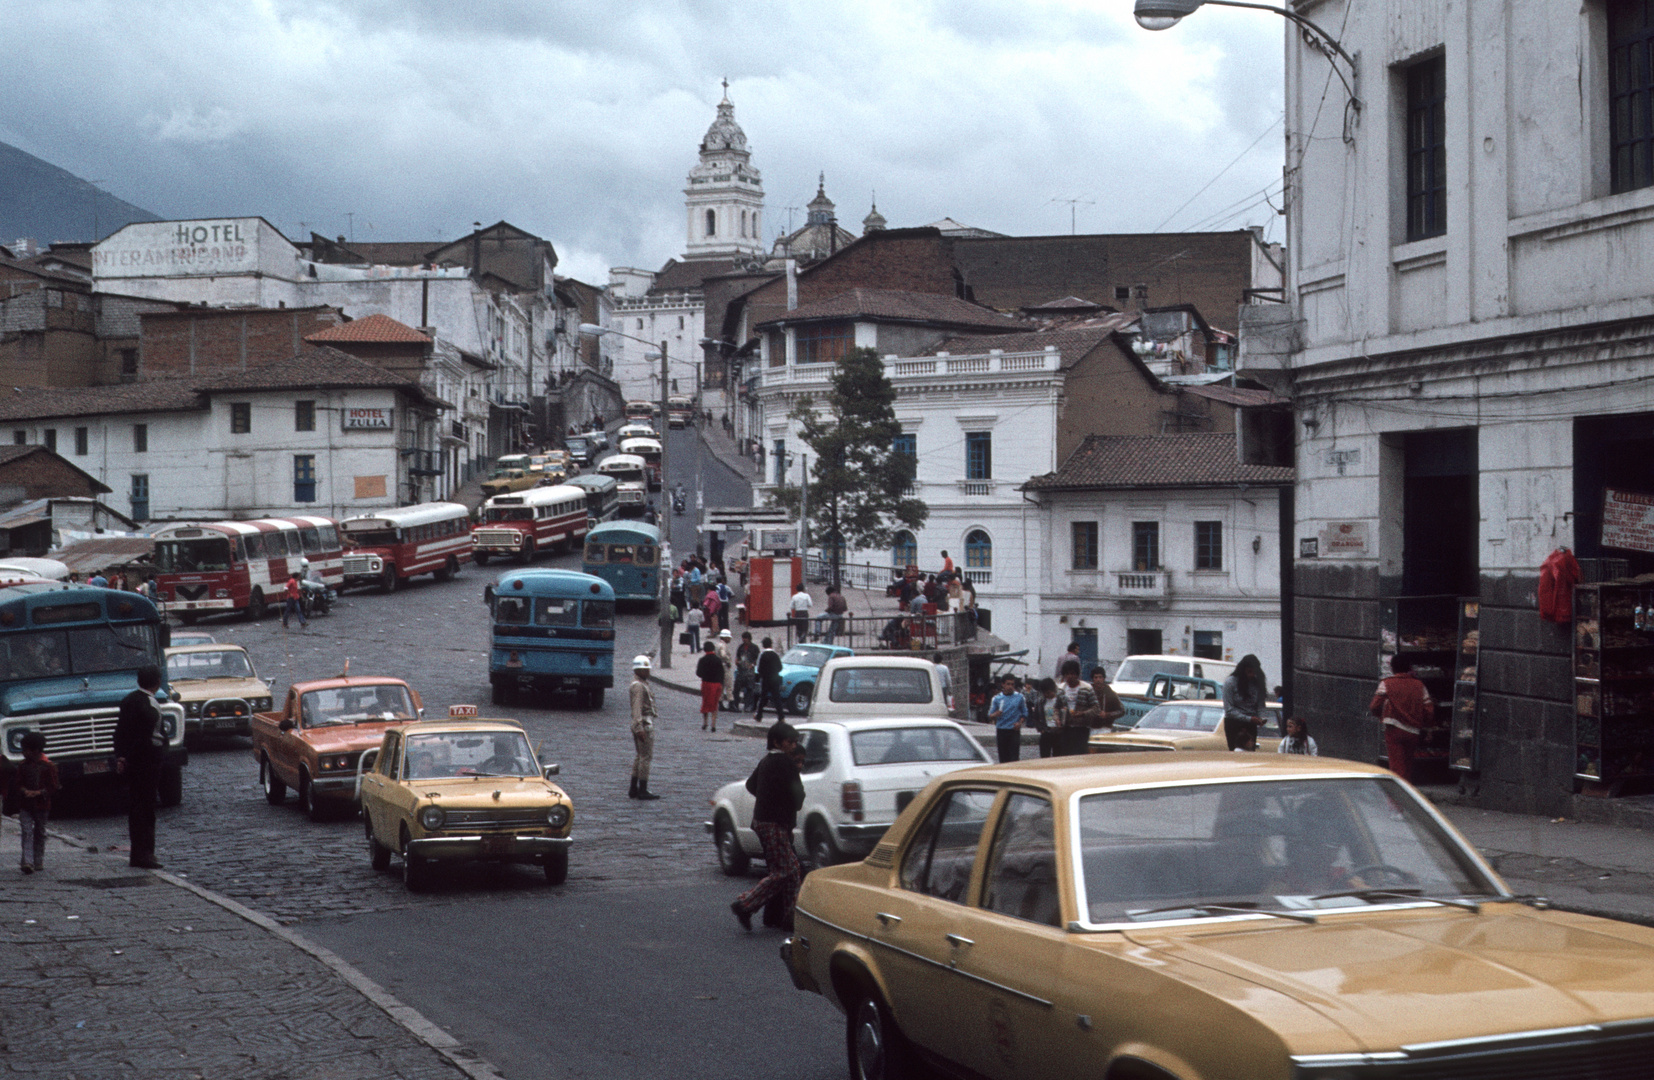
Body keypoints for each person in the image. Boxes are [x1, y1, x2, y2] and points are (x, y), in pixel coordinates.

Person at [730, 721, 805, 932]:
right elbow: (797, 795)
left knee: (790, 870)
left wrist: (767, 797)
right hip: (774, 822)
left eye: (795, 742)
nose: (793, 746)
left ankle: (791, 915)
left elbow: (751, 785)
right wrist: (780, 803)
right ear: (777, 742)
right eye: (790, 742)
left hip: (762, 821)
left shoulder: (766, 761)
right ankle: (746, 904)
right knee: (786, 870)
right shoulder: (785, 763)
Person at [114, 664, 165, 869]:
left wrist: (121, 757)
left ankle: (137, 854)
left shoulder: (128, 701)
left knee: (136, 808)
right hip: (147, 762)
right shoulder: (149, 706)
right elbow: (150, 736)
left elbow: (120, 732)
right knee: (146, 808)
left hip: (133, 761)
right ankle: (145, 854)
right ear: (157, 682)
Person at [1370, 654, 1434, 782]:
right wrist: (1427, 727)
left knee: (1396, 766)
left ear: (1392, 668)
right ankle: (1407, 787)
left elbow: (1374, 706)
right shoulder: (1419, 685)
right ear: (1409, 668)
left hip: (1394, 729)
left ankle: (1398, 792)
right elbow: (1428, 709)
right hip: (1413, 731)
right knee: (1408, 763)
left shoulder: (1387, 683)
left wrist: (1381, 716)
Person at [13, 730, 58, 873]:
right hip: (25, 805)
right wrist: (24, 791)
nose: (23, 752)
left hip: (42, 805)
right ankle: (28, 861)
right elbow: (18, 784)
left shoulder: (48, 766)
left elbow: (53, 786)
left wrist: (38, 793)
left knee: (40, 833)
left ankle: (38, 860)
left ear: (35, 750)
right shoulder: (22, 766)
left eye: (25, 749)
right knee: (27, 832)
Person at [1051, 660, 1101, 756]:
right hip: (1066, 729)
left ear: (1077, 674)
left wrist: (1083, 713)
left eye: (1072, 673)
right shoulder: (1061, 689)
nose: (1070, 676)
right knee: (1065, 755)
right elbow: (1056, 708)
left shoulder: (1087, 688)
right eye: (1067, 674)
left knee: (1080, 756)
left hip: (1082, 729)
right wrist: (1057, 719)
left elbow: (1096, 708)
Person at [628, 655, 661, 800]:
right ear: (639, 670)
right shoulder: (639, 686)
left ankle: (633, 788)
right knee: (646, 757)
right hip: (644, 724)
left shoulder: (640, 683)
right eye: (646, 669)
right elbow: (636, 708)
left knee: (639, 756)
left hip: (641, 724)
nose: (648, 672)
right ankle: (642, 789)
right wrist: (639, 727)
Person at [1222, 654, 1270, 752]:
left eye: (1254, 672)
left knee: (1250, 752)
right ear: (1242, 670)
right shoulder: (1230, 682)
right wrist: (1249, 719)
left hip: (1251, 724)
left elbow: (1260, 705)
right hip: (1234, 723)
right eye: (1249, 672)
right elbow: (1229, 710)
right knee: (1236, 752)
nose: (1251, 675)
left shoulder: (1257, 683)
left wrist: (1261, 718)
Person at [988, 674, 1027, 763]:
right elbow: (990, 715)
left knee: (1014, 758)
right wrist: (996, 714)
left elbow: (1024, 713)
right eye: (1008, 684)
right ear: (1003, 684)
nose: (1010, 687)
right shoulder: (997, 698)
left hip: (1014, 730)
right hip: (1001, 730)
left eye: (1012, 684)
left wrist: (1020, 723)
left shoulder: (1019, 697)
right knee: (1003, 757)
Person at [753, 637, 786, 722]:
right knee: (777, 698)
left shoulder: (762, 655)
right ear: (771, 644)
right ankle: (781, 717)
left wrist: (763, 674)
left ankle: (759, 716)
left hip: (765, 679)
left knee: (763, 698)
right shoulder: (775, 655)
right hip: (774, 679)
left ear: (763, 645)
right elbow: (780, 667)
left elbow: (759, 668)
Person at [696, 641, 726, 732]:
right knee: (715, 703)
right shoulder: (718, 660)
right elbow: (722, 673)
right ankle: (713, 724)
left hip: (706, 683)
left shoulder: (702, 660)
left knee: (705, 702)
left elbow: (698, 673)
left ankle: (705, 722)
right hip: (716, 684)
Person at [1089, 664, 1128, 732]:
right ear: (1093, 679)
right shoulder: (1088, 692)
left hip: (1105, 728)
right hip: (1089, 727)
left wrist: (1107, 715)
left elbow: (1121, 711)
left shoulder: (1110, 693)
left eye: (1100, 677)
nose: (1098, 680)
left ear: (1104, 678)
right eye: (1096, 677)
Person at [1028, 677, 1060, 758]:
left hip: (1058, 733)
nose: (1047, 695)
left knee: (1058, 757)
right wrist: (1040, 729)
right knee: (1044, 757)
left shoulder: (1060, 700)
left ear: (1053, 689)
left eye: (1048, 693)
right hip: (1046, 732)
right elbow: (1035, 717)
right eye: (1044, 693)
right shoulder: (1040, 702)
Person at [734, 631, 759, 712]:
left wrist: (752, 664)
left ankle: (748, 706)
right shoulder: (740, 647)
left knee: (750, 689)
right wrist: (737, 661)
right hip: (741, 671)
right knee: (736, 689)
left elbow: (757, 659)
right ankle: (735, 704)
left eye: (745, 639)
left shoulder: (754, 648)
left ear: (749, 639)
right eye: (743, 638)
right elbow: (737, 657)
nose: (744, 640)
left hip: (749, 672)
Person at [715, 629, 735, 711]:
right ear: (725, 638)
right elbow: (723, 654)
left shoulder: (717, 644)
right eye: (729, 638)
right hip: (724, 667)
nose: (730, 639)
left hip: (718, 667)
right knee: (729, 685)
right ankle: (731, 703)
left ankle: (720, 703)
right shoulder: (723, 646)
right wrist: (727, 660)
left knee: (721, 686)